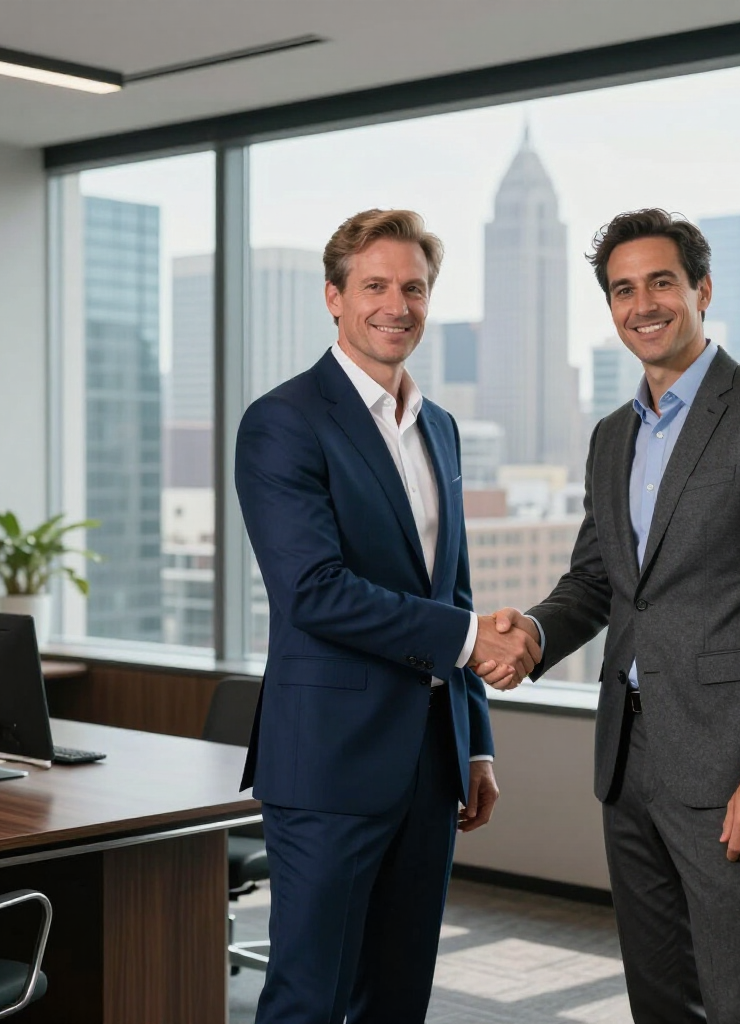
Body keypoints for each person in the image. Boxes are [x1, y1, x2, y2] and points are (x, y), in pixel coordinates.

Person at [486, 209, 740, 1022]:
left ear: (701, 290)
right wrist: (535, 633)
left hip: (729, 762)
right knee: (659, 999)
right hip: (628, 754)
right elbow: (600, 581)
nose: (641, 303)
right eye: (622, 289)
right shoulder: (615, 436)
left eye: (659, 282)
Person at [235, 208, 540, 1024]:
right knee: (308, 996)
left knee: (399, 995)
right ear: (334, 297)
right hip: (330, 765)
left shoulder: (438, 427)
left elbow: (455, 590)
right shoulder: (284, 420)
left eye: (413, 287)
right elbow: (315, 589)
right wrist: (474, 644)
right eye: (375, 285)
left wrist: (473, 742)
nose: (395, 305)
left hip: (431, 764)